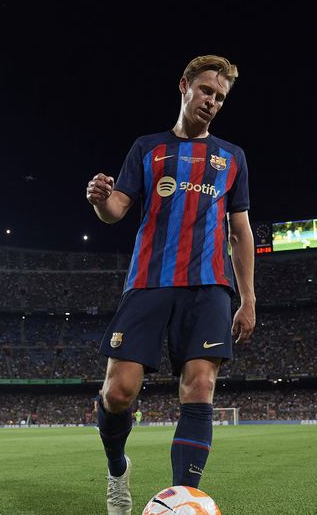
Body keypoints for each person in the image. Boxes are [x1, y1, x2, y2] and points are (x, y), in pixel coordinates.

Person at [85, 54, 255, 515]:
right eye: (206, 91)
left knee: (200, 387)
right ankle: (117, 469)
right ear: (184, 86)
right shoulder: (148, 148)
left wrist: (248, 299)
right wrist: (100, 200)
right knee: (118, 392)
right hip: (149, 281)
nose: (212, 101)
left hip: (209, 285)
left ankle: (184, 502)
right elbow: (116, 210)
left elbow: (240, 231)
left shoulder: (232, 158)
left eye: (220, 97)